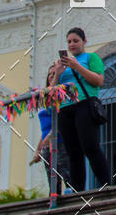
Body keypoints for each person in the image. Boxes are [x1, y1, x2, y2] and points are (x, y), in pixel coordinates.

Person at [51, 27, 111, 191]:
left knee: (90, 146)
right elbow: (51, 92)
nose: (72, 44)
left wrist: (77, 66)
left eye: (75, 41)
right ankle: (78, 189)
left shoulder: (91, 58)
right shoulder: (63, 65)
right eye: (69, 42)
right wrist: (57, 73)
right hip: (65, 108)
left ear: (84, 41)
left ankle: (106, 184)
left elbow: (98, 81)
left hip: (84, 104)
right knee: (73, 153)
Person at [31, 64, 72, 195]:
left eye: (55, 74)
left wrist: (49, 137)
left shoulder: (61, 95)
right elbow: (45, 127)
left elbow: (60, 121)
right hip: (47, 143)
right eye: (50, 74)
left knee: (67, 175)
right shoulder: (44, 99)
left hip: (60, 141)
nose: (52, 77)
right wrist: (38, 149)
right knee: (53, 182)